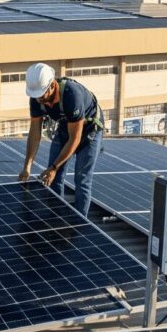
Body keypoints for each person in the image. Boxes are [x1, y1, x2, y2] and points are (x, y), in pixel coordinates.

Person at [18, 63, 105, 217]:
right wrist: (27, 166)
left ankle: (80, 223)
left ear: (52, 86)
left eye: (42, 96)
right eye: (36, 97)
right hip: (66, 127)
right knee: (53, 178)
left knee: (82, 180)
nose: (40, 101)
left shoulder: (72, 95)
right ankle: (55, 220)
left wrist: (53, 167)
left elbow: (75, 139)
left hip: (89, 131)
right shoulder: (37, 99)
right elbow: (34, 134)